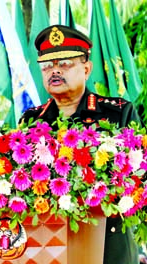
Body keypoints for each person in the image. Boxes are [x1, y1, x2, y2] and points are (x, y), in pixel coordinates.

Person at [19, 25, 142, 264]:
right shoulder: (31, 121)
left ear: (86, 69)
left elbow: (139, 177)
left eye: (64, 64)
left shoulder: (118, 114)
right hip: (47, 244)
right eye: (47, 66)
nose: (54, 72)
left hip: (109, 245)